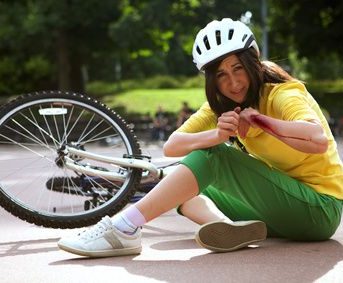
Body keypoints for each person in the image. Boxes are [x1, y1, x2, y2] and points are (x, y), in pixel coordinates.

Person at [57, 18, 343, 257]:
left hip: (319, 210)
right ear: (212, 81)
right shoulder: (222, 104)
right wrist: (217, 133)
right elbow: (172, 146)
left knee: (215, 157)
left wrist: (259, 120)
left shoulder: (281, 94)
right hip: (279, 209)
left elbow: (317, 139)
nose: (232, 83)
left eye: (238, 68)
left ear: (252, 62)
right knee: (180, 186)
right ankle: (228, 227)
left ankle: (123, 228)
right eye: (221, 75)